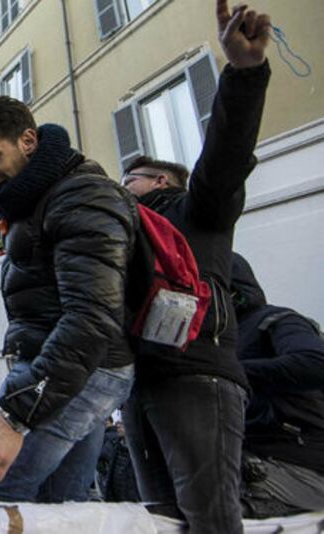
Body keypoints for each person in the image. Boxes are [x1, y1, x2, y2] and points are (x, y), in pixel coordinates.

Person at [0, 108, 137, 502]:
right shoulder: (41, 195)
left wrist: (12, 416)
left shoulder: (82, 196)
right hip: (68, 371)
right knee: (60, 508)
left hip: (73, 370)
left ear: (28, 142)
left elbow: (90, 319)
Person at [118, 3, 272, 531]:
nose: (122, 187)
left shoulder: (196, 210)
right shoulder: (122, 233)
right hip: (139, 383)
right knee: (160, 522)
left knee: (210, 520)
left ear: (161, 182)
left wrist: (244, 75)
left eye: (130, 179)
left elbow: (225, 158)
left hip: (197, 376)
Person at [231, 253, 324, 518]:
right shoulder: (222, 336)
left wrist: (231, 372)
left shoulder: (277, 320)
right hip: (263, 455)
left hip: (298, 462)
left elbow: (315, 362)